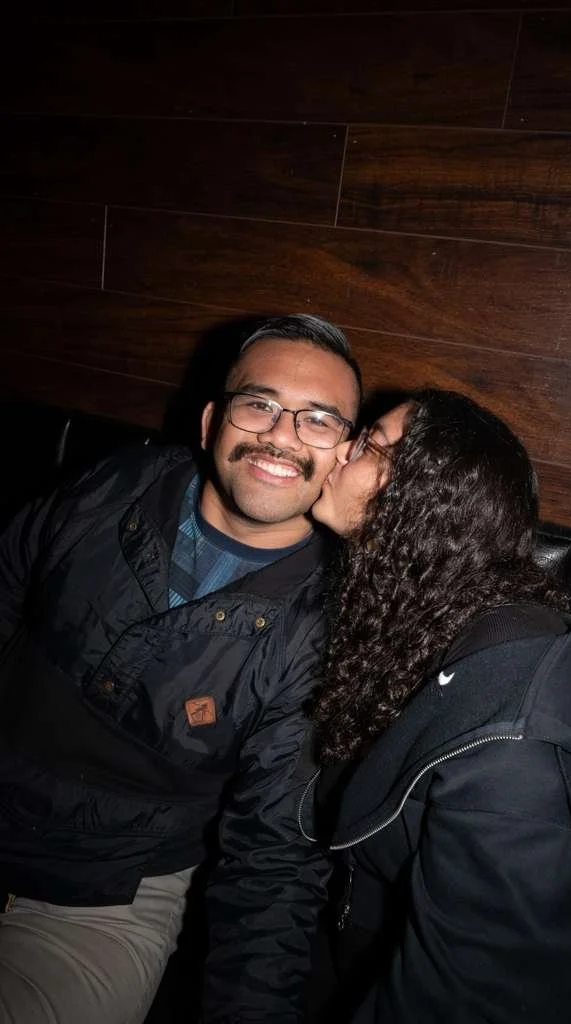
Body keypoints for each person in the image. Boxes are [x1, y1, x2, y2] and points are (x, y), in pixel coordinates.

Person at [0, 314, 361, 1024]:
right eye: (258, 404)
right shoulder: (117, 485)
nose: (282, 434)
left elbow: (274, 861)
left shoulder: (326, 631)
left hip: (104, 898)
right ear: (209, 423)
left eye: (318, 420)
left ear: (345, 456)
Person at [302, 388, 571, 1024]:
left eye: (368, 444)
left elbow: (472, 1002)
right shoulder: (406, 615)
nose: (338, 449)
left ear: (424, 499)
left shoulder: (514, 753)